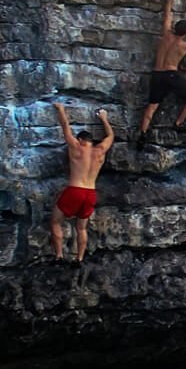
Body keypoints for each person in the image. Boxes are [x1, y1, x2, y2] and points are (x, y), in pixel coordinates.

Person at [136, 0, 186, 148]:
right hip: (171, 75)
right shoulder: (185, 45)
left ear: (175, 28)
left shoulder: (165, 34)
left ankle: (142, 135)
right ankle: (178, 123)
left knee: (152, 107)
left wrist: (169, 0)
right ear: (185, 32)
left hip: (156, 74)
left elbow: (167, 16)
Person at [50, 103, 114, 262]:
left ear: (80, 140)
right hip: (90, 193)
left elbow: (65, 127)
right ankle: (79, 259)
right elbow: (111, 136)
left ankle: (59, 256)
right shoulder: (100, 151)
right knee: (81, 228)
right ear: (91, 141)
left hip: (75, 190)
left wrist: (61, 109)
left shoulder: (76, 147)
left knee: (55, 222)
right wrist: (104, 118)